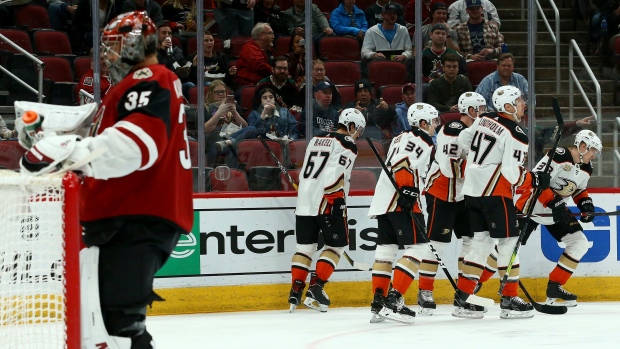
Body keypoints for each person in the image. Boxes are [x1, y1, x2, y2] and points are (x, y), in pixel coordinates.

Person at [20, 11, 193, 348]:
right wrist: (52, 130)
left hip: (134, 217)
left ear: (133, 43)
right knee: (103, 329)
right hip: (122, 218)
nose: (108, 55)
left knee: (117, 329)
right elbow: (107, 133)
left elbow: (135, 146)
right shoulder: (133, 86)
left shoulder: (149, 78)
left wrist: (67, 150)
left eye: (114, 46)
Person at [454, 85, 551, 319]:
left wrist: (481, 164)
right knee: (508, 243)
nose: (523, 104)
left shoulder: (485, 117)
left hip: (472, 191)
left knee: (481, 243)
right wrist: (534, 178)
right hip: (495, 193)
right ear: (507, 106)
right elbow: (511, 173)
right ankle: (509, 299)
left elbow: (463, 138)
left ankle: (463, 299)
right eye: (518, 101)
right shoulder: (516, 132)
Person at [289, 108, 365, 312]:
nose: (358, 135)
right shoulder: (347, 143)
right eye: (358, 130)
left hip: (304, 201)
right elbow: (335, 173)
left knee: (305, 248)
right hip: (326, 202)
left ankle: (295, 291)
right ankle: (316, 287)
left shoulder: (315, 139)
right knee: (336, 246)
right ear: (350, 126)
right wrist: (336, 201)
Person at [368, 102, 438, 324]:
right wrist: (408, 191)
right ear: (423, 123)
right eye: (434, 121)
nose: (436, 125)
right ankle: (394, 300)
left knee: (385, 252)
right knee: (418, 247)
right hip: (401, 200)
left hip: (384, 199)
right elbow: (402, 163)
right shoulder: (421, 139)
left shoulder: (400, 137)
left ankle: (378, 304)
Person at [514, 130, 601, 307]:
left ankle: (555, 286)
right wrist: (554, 202)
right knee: (506, 248)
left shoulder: (586, 167)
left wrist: (585, 204)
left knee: (579, 243)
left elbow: (577, 189)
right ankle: (474, 285)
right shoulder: (559, 155)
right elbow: (537, 181)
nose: (594, 155)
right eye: (593, 151)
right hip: (530, 207)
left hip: (555, 211)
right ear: (583, 147)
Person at [417, 92, 486, 315]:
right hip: (441, 195)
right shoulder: (451, 130)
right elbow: (451, 169)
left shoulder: (475, 132)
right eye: (481, 109)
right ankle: (424, 290)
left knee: (471, 241)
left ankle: (464, 295)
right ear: (471, 111)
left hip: (463, 195)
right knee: (437, 243)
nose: (483, 114)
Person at [204, 80, 247, 167]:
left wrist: (235, 112)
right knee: (229, 146)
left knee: (252, 129)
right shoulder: (206, 108)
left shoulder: (234, 105)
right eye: (217, 92)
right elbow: (205, 129)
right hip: (216, 137)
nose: (221, 94)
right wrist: (219, 111)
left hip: (234, 135)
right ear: (211, 94)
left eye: (223, 91)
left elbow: (245, 127)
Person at [235, 22, 277, 87]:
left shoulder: (269, 49)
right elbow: (260, 66)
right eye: (270, 33)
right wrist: (277, 72)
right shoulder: (249, 47)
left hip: (265, 84)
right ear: (261, 36)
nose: (273, 37)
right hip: (250, 85)